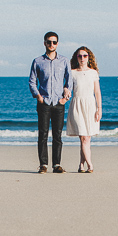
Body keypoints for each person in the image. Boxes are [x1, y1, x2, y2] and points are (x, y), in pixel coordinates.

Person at [29, 32, 72, 173]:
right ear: (44, 43)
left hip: (59, 102)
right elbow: (32, 81)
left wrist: (65, 97)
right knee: (43, 134)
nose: (51, 44)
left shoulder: (64, 61)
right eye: (49, 42)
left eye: (54, 42)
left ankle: (56, 165)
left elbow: (69, 80)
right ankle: (43, 165)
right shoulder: (37, 61)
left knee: (58, 135)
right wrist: (38, 96)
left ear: (57, 44)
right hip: (44, 102)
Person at [66, 46, 101, 173]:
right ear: (76, 58)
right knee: (83, 137)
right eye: (80, 56)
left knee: (87, 138)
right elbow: (68, 88)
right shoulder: (72, 72)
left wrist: (99, 109)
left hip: (90, 105)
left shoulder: (93, 73)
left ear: (89, 57)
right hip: (77, 105)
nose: (82, 58)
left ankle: (81, 165)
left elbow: (97, 92)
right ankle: (90, 165)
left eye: (85, 56)